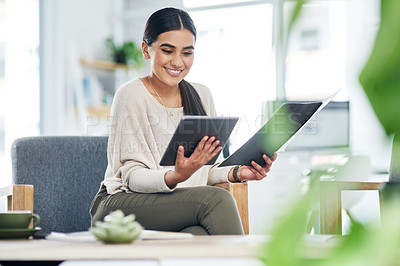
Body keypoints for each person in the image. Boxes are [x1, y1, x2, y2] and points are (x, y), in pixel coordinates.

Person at [90, 7, 277, 235]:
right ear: (146, 50)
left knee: (199, 235)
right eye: (168, 50)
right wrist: (177, 175)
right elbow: (131, 177)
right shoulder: (131, 94)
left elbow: (204, 170)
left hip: (172, 204)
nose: (178, 62)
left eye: (187, 53)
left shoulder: (202, 95)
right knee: (218, 200)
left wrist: (238, 172)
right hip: (119, 205)